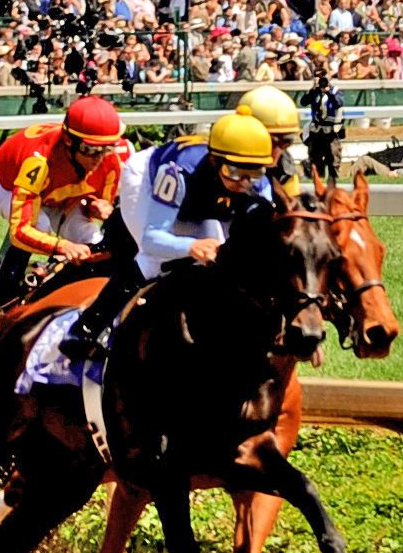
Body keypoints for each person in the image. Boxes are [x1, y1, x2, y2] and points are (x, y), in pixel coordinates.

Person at [53, 109, 274, 375]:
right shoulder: (178, 171)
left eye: (255, 172)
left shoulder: (259, 185)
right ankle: (84, 330)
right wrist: (189, 247)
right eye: (235, 172)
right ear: (215, 161)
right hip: (147, 182)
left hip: (201, 200)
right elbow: (154, 238)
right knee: (154, 259)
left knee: (226, 262)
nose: (244, 183)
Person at [0, 91, 125, 303]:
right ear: (69, 141)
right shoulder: (38, 162)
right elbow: (21, 231)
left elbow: (92, 204)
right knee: (40, 225)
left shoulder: (110, 162)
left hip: (63, 198)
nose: (98, 159)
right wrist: (62, 246)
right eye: (89, 149)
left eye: (106, 149)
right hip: (11, 187)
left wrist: (94, 206)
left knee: (92, 239)